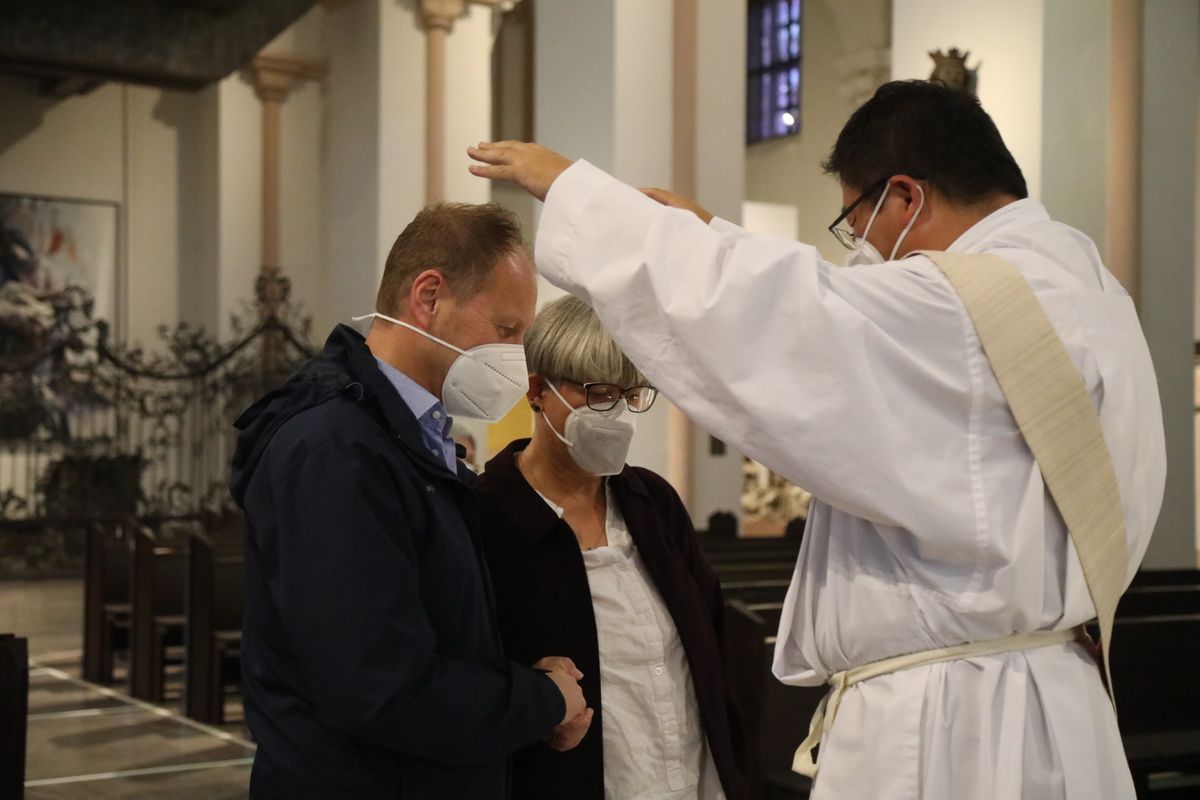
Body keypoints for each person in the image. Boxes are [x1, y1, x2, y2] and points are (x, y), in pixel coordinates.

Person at [466, 80, 1166, 800]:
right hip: (1052, 708)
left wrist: (583, 195)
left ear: (905, 198)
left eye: (854, 222)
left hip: (951, 731)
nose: (860, 248)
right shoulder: (1085, 288)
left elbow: (799, 317)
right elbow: (845, 310)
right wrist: (714, 236)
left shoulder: (961, 310)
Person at [229, 202, 588, 798]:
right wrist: (539, 700)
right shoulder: (338, 452)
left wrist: (525, 680)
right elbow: (376, 687)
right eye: (506, 329)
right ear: (428, 296)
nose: (518, 354)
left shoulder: (408, 438)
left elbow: (440, 628)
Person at [473, 296, 749, 800]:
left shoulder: (652, 503)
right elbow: (469, 671)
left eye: (631, 393)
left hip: (688, 778)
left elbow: (708, 648)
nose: (617, 412)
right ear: (537, 391)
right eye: (598, 392)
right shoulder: (487, 515)